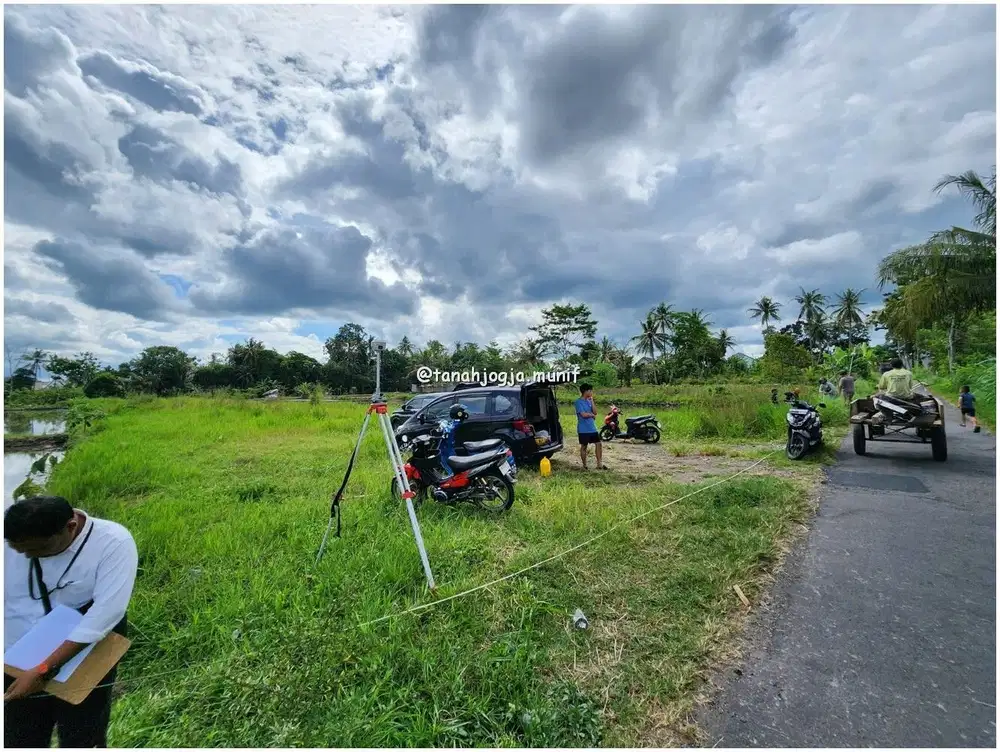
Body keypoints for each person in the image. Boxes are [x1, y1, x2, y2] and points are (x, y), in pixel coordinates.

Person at [4, 496, 138, 748]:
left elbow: (106, 613)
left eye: (38, 549)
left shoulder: (113, 542)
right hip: (17, 652)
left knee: (82, 732)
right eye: (18, 549)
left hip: (87, 647)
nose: (28, 556)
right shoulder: (15, 543)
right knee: (19, 735)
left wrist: (43, 669)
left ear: (70, 527)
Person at [574, 383, 606, 470]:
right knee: (584, 446)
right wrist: (591, 415)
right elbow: (583, 414)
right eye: (590, 390)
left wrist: (592, 401)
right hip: (583, 429)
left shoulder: (589, 401)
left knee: (598, 444)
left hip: (592, 428)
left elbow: (595, 412)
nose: (592, 392)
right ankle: (584, 465)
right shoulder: (578, 402)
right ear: (586, 391)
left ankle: (599, 463)